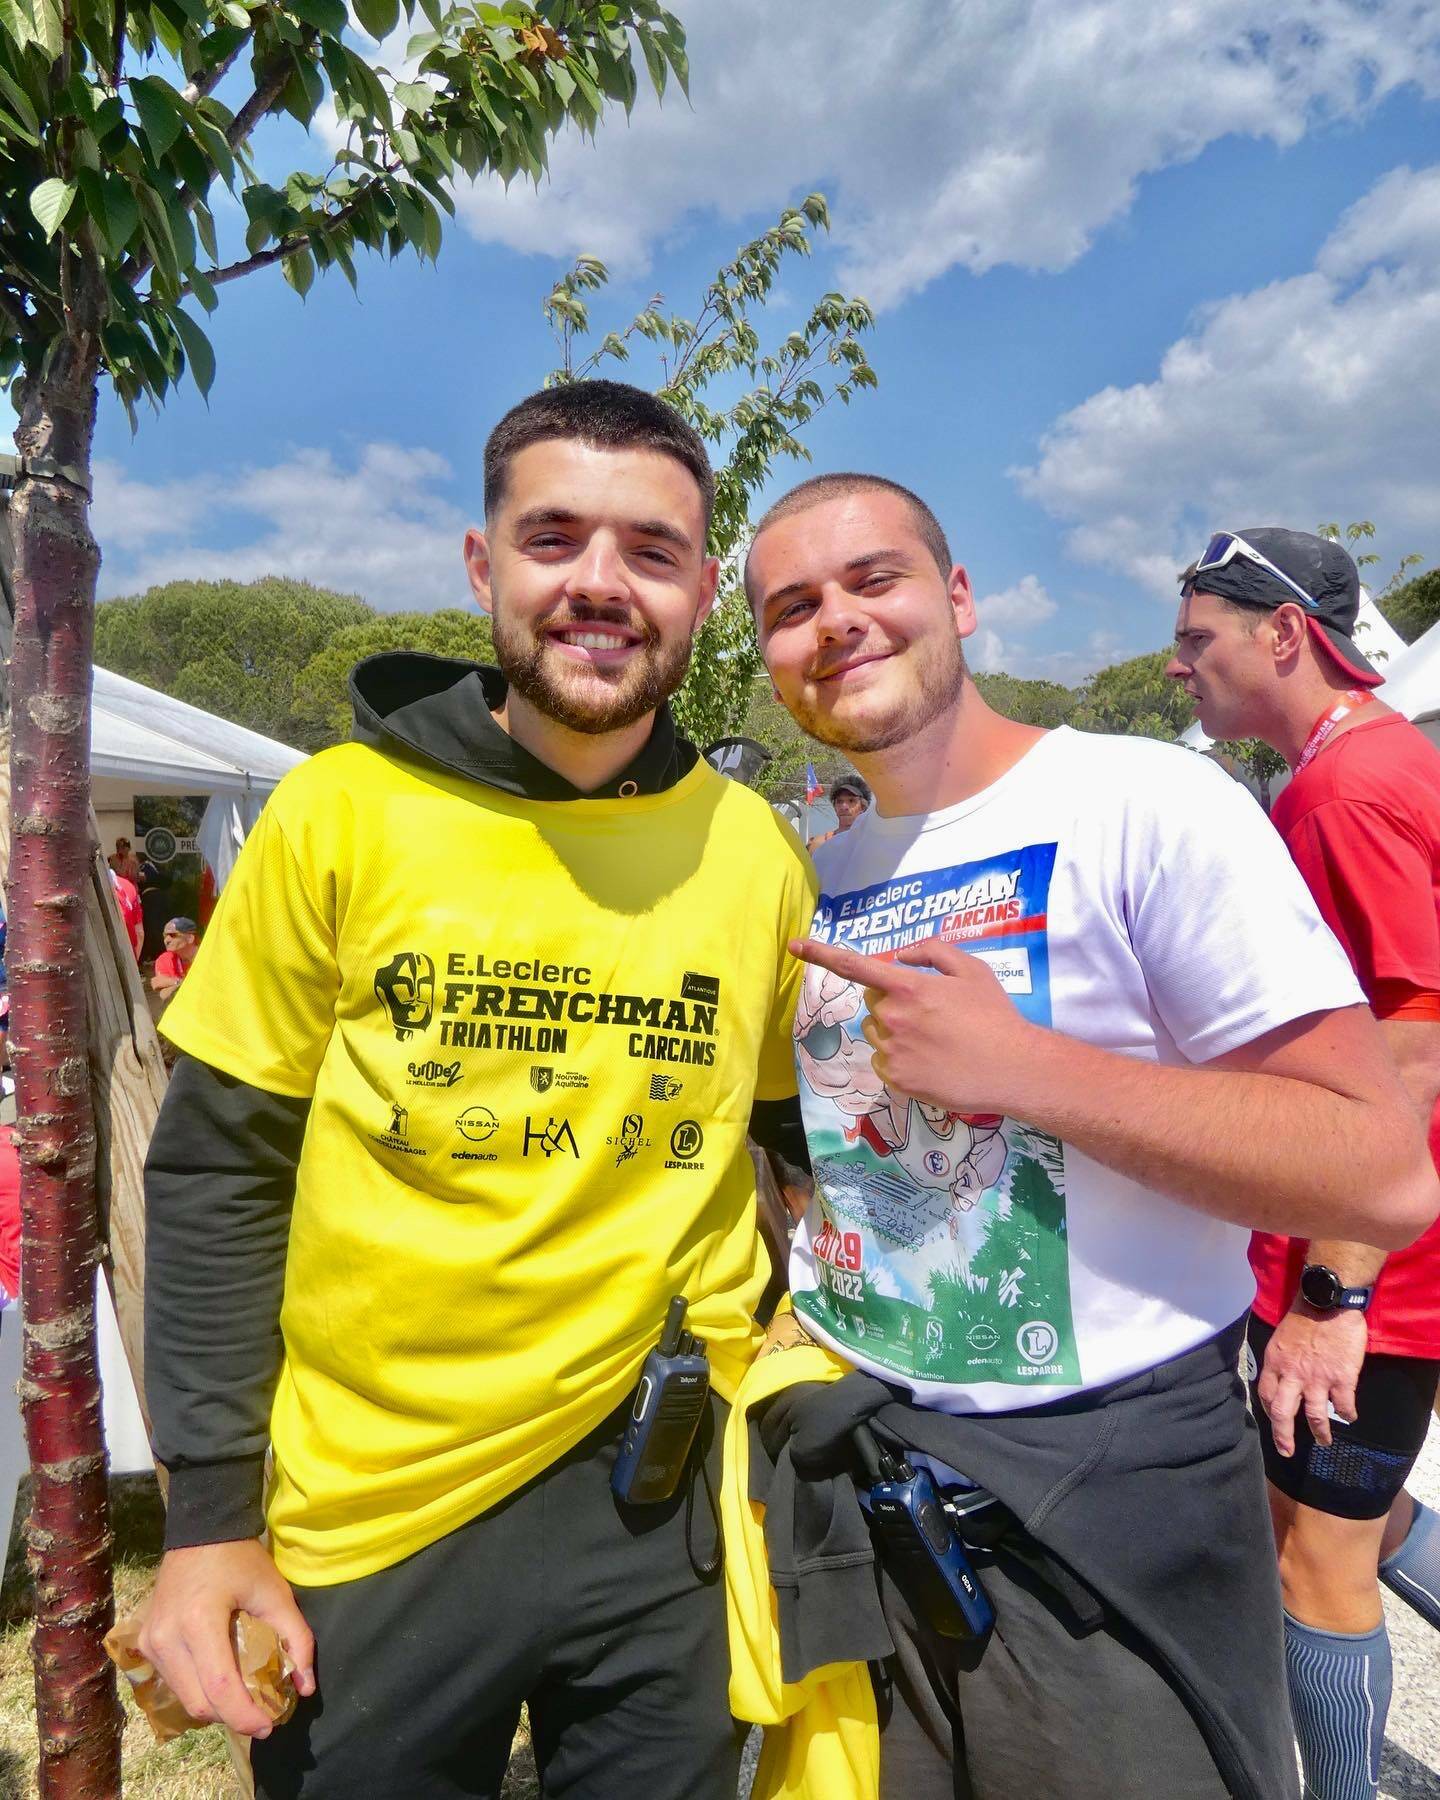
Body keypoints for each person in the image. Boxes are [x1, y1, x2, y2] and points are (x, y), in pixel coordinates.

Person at [138, 380, 815, 1800]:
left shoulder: (755, 849)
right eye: (553, 536)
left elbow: (791, 1142)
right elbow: (215, 1173)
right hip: (378, 1518)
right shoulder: (340, 809)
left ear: (703, 586)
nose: (599, 584)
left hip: (667, 1508)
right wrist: (207, 1521)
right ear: (480, 563)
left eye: (652, 550)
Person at [745, 471, 1438, 1800]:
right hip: (870, 1486)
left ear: (957, 597)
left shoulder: (1145, 803)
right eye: (791, 606)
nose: (834, 620)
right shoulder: (814, 877)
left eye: (872, 579)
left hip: (1108, 1495)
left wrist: (1033, 1071)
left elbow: (1379, 1166)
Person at [1167, 526, 1440, 1800]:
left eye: (1196, 638)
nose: (1178, 667)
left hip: (1374, 1271)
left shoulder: (1349, 786)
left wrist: (1333, 1298)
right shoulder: (1358, 767)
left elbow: (1416, 1042)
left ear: (1284, 635)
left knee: (1311, 1566)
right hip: (1370, 1250)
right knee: (1361, 1519)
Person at [810, 774, 871, 850]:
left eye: (851, 801)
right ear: (835, 807)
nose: (844, 807)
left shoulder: (872, 843)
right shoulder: (820, 844)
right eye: (839, 801)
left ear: (863, 807)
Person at [150, 917, 198, 1001]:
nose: (167, 940)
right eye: (165, 936)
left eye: (173, 935)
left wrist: (174, 983)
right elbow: (164, 995)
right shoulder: (164, 960)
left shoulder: (207, 954)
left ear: (190, 938)